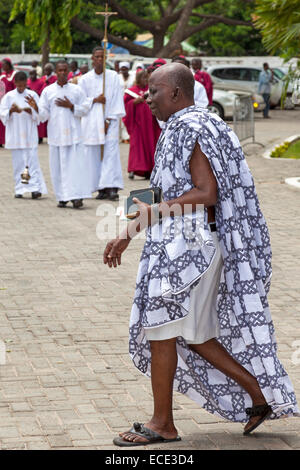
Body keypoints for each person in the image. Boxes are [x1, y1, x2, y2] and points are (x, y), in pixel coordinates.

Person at [103, 63, 299, 446]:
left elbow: (206, 192)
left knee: (161, 328)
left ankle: (163, 425)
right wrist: (126, 231)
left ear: (175, 93)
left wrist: (152, 215)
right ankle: (259, 397)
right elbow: (159, 189)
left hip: (190, 249)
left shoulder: (190, 127)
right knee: (194, 334)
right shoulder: (189, 126)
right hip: (190, 245)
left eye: (154, 91)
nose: (147, 97)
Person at [38, 60, 92, 208]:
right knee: (57, 168)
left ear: (68, 72)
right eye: (59, 70)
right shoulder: (48, 91)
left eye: (64, 70)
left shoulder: (77, 90)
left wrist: (72, 106)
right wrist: (35, 108)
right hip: (56, 135)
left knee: (74, 168)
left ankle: (76, 197)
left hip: (73, 136)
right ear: (56, 72)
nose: (62, 73)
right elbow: (43, 114)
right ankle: (62, 196)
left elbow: (86, 108)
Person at [78, 46, 125, 201]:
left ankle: (112, 187)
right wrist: (95, 100)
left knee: (111, 155)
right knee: (95, 155)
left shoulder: (113, 77)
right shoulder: (84, 79)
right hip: (91, 123)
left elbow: (117, 100)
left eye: (102, 57)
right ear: (92, 59)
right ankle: (100, 187)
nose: (99, 60)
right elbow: (80, 102)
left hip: (109, 121)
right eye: (97, 57)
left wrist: (108, 119)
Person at [0, 71, 47, 199]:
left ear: (26, 83)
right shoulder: (9, 96)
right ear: (15, 83)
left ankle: (35, 188)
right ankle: (20, 188)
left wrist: (32, 109)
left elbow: (41, 114)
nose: (21, 88)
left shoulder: (32, 95)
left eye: (23, 85)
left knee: (32, 161)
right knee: (18, 163)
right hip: (15, 133)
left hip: (29, 132)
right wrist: (11, 111)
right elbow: (2, 113)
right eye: (19, 86)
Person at [123, 70, 161, 180]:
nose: (145, 80)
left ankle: (149, 170)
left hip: (150, 124)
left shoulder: (151, 90)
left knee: (150, 146)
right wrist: (136, 101)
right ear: (138, 79)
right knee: (137, 147)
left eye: (147, 78)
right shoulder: (131, 91)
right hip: (137, 124)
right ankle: (133, 169)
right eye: (143, 78)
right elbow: (126, 105)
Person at [38, 63, 57, 143]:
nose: (46, 71)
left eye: (47, 69)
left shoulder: (55, 78)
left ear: (51, 70)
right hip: (43, 99)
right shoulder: (42, 78)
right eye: (45, 69)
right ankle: (41, 137)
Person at [0, 58, 16, 147]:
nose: (2, 66)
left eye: (4, 64)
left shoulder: (14, 74)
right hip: (4, 100)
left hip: (13, 100)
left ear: (9, 65)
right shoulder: (3, 75)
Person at [118, 61, 134, 143]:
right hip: (119, 100)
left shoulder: (133, 77)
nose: (124, 71)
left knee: (128, 117)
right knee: (120, 118)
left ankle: (127, 136)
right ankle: (120, 136)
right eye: (122, 69)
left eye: (125, 69)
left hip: (129, 100)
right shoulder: (117, 77)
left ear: (128, 69)